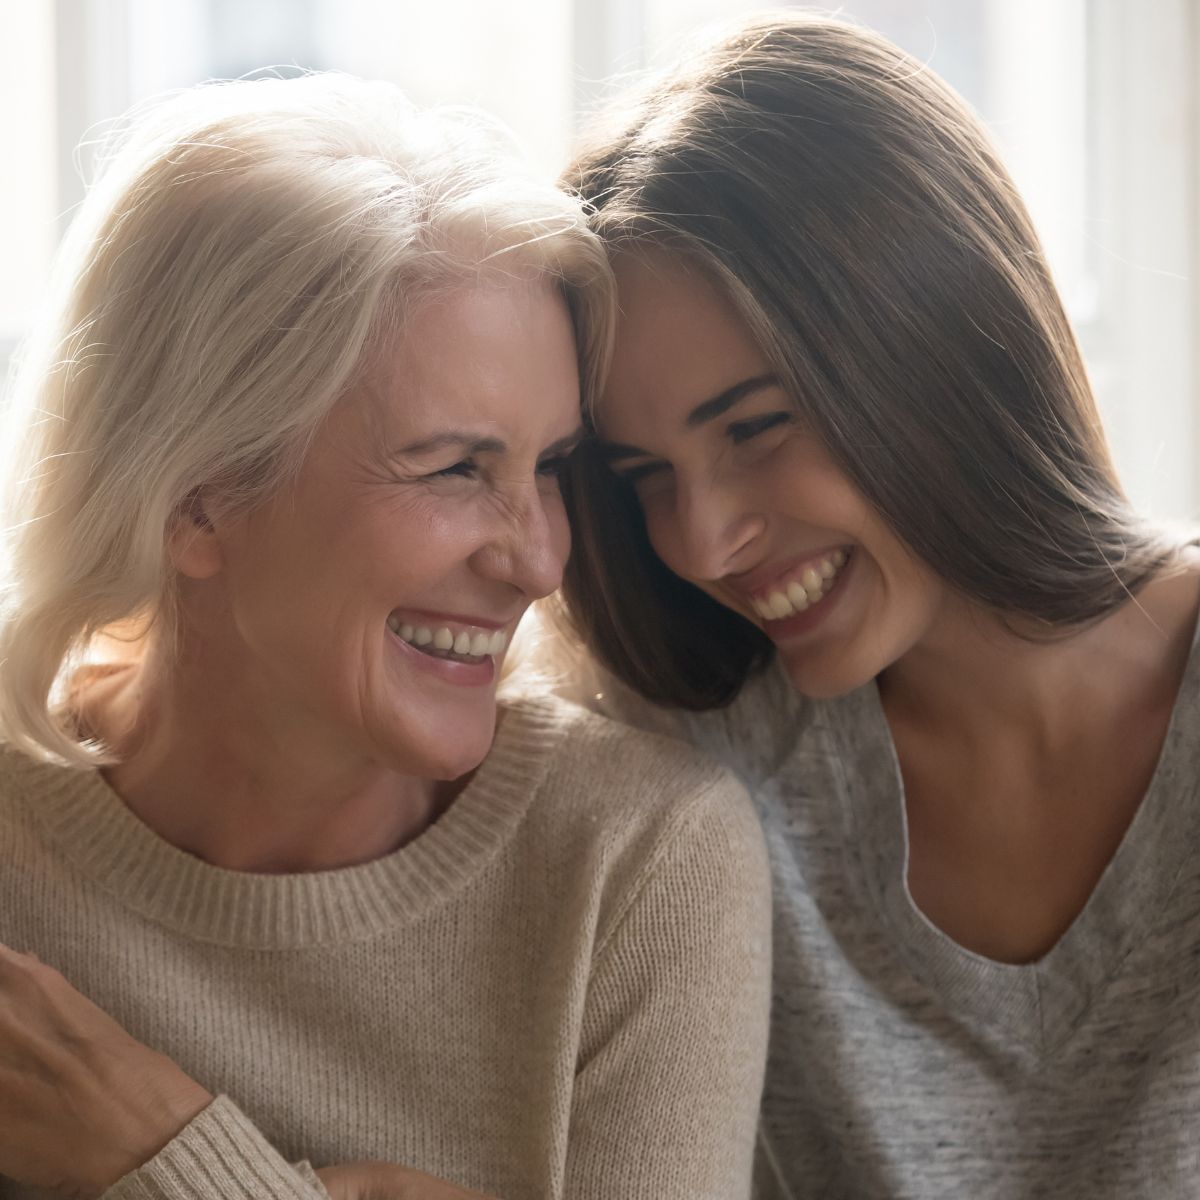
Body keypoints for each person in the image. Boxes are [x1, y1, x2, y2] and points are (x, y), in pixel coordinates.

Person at [0, 73, 771, 1200]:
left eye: (550, 467)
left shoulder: (640, 860)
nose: (540, 561)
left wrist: (162, 1163)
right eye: (458, 467)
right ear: (197, 500)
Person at [555, 12, 1200, 1199]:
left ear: (934, 347)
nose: (699, 541)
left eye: (755, 428)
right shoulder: (702, 785)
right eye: (644, 477)